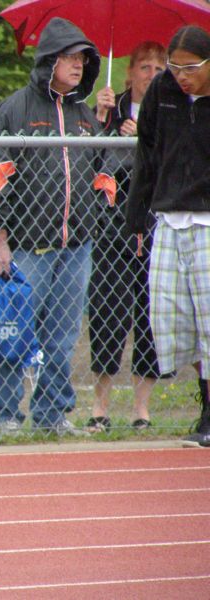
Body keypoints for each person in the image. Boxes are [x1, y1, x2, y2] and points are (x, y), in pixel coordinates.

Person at [0, 17, 116, 436]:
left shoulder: (85, 116)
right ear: (48, 61)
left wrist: (105, 128)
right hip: (26, 247)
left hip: (77, 248)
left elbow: (102, 175)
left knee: (62, 337)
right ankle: (5, 416)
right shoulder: (16, 109)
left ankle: (52, 415)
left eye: (83, 59)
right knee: (14, 333)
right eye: (69, 58)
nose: (77, 65)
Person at [125, 25, 210, 448]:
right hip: (167, 217)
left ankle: (209, 413)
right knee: (175, 322)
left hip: (208, 221)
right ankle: (206, 400)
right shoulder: (161, 92)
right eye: (175, 67)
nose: (181, 75)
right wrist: (136, 216)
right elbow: (148, 152)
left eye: (191, 67)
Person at [86, 41, 170, 433]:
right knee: (108, 314)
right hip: (112, 227)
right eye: (144, 67)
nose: (151, 75)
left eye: (159, 68)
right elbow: (87, 160)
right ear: (130, 73)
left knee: (151, 317)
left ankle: (141, 408)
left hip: (156, 227)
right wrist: (98, 117)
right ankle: (100, 405)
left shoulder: (169, 110)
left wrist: (145, 139)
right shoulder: (110, 108)